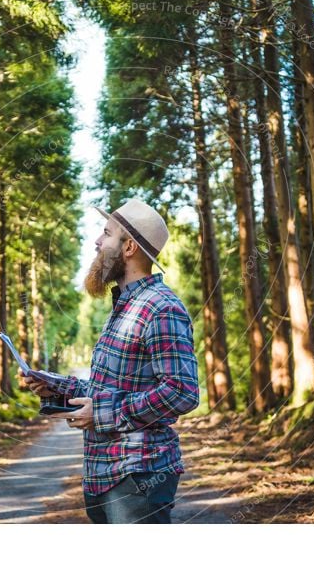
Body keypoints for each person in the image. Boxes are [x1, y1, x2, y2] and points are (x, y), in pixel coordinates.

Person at [22, 198, 199, 524]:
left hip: (138, 475)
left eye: (106, 234)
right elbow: (110, 388)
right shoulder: (125, 307)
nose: (97, 242)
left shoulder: (161, 307)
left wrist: (102, 413)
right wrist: (56, 387)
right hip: (104, 472)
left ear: (128, 247)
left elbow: (181, 391)